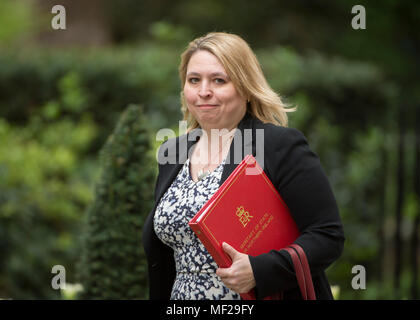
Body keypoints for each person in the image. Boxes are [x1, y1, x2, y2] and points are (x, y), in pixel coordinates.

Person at [142, 32, 345, 300]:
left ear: (246, 88)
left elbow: (327, 236)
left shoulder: (277, 145)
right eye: (194, 80)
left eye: (219, 80)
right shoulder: (173, 151)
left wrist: (259, 271)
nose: (204, 91)